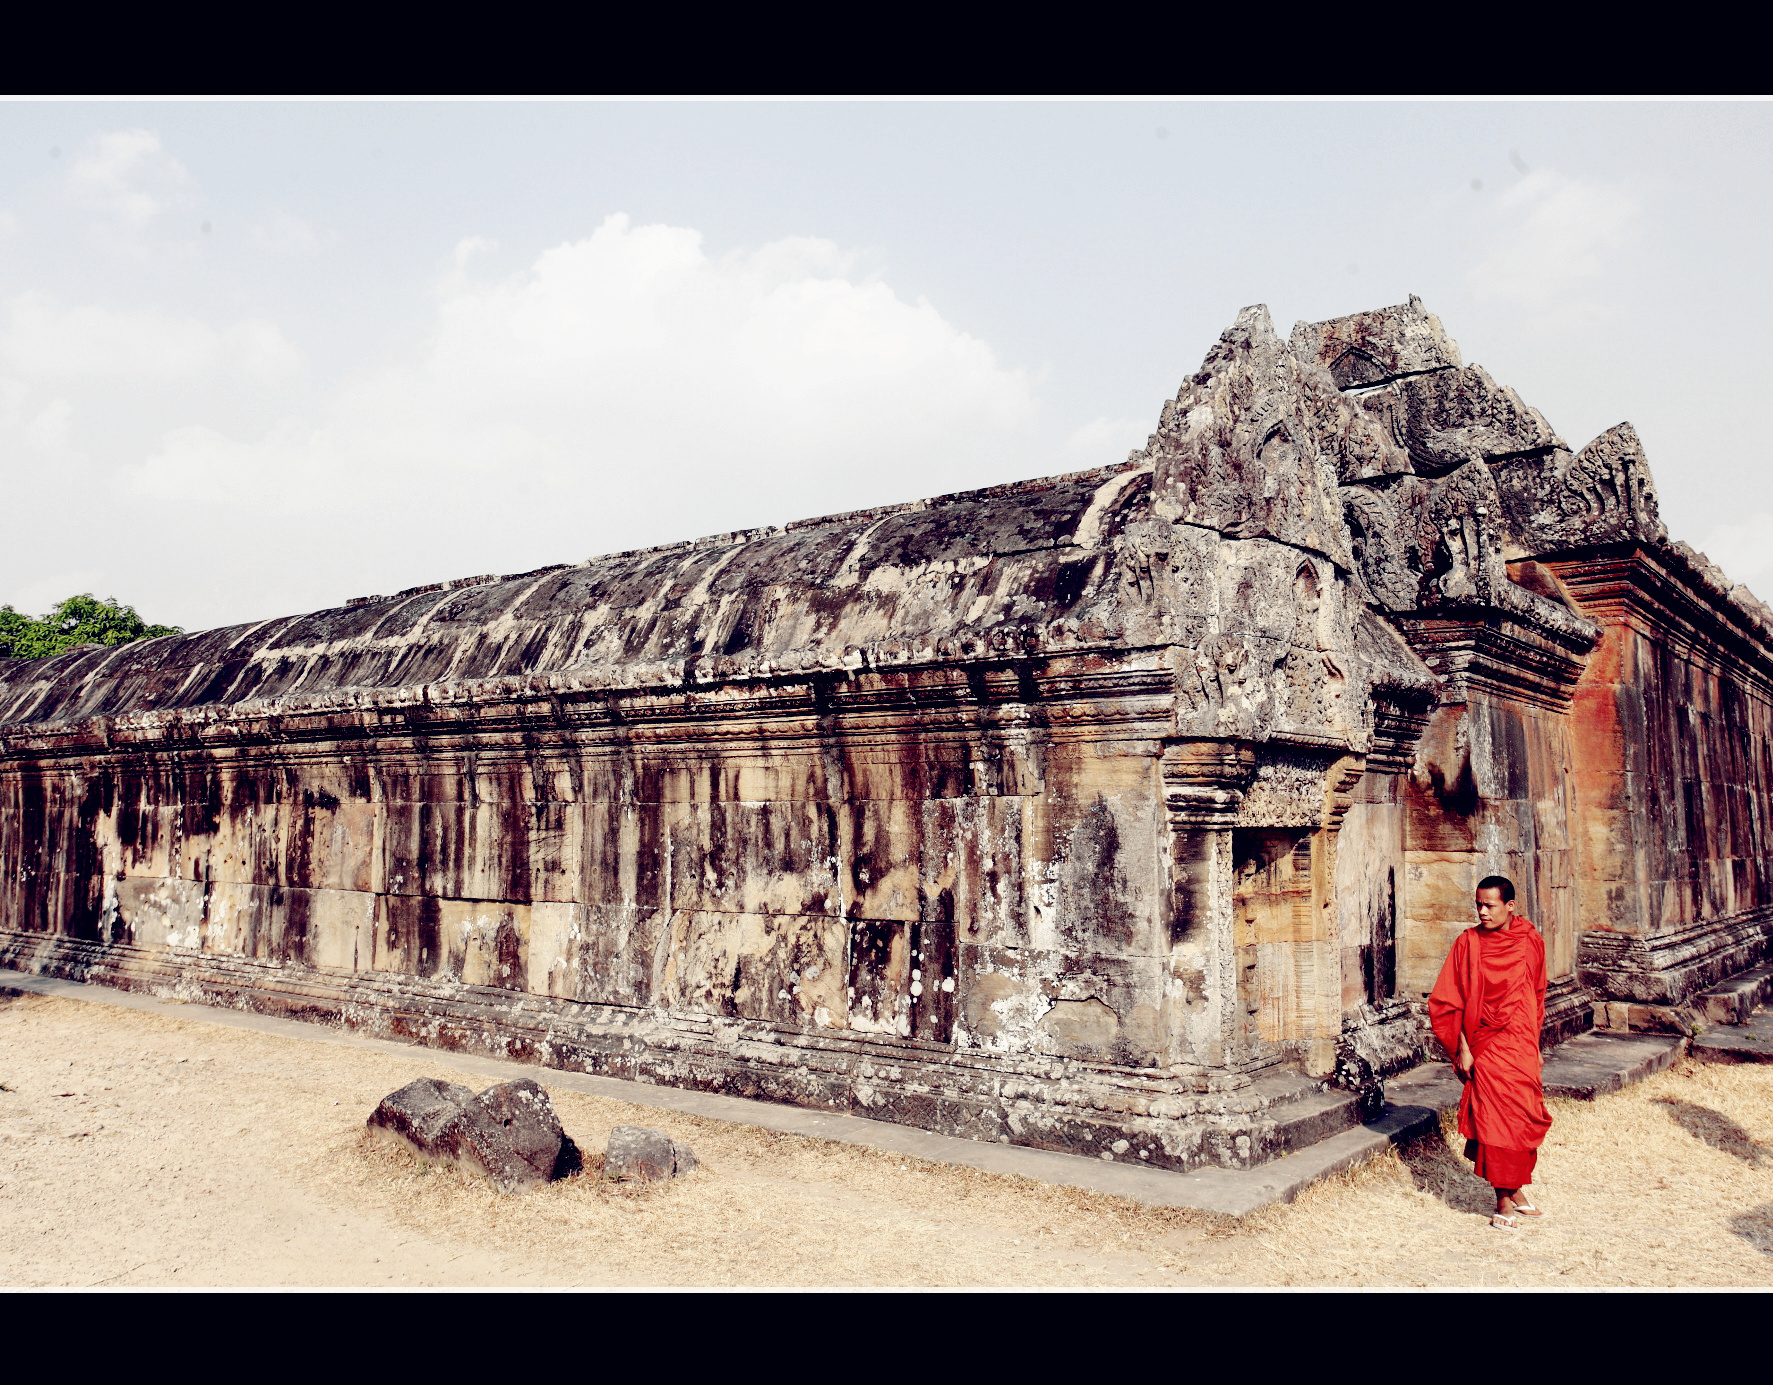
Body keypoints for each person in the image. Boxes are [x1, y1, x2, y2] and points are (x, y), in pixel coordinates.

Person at [1427, 874, 1552, 1229]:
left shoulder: (1530, 941)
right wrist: (1462, 1049)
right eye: (1478, 905)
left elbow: (1537, 996)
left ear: (1510, 906)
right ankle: (1502, 1202)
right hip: (1487, 1046)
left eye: (1490, 905)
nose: (1482, 911)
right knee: (1498, 1123)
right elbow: (1448, 1001)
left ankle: (1516, 1189)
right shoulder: (1468, 943)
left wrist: (1536, 1044)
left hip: (1521, 1044)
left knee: (1525, 1116)